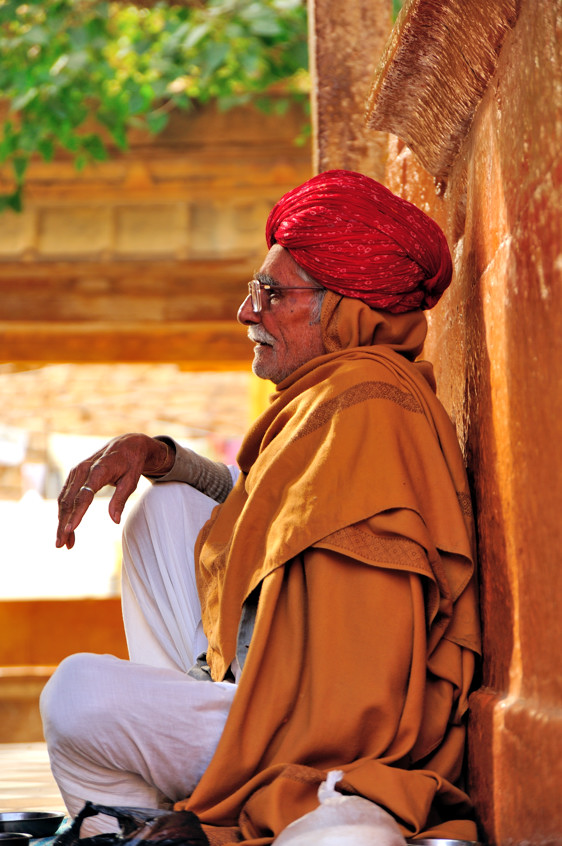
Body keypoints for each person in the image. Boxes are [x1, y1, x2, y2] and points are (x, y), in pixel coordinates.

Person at [41, 170, 481, 846]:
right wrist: (160, 457)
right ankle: (164, 815)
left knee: (76, 697)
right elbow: (274, 510)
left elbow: (360, 692)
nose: (249, 312)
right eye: (256, 291)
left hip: (305, 735)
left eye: (271, 294)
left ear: (342, 309)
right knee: (165, 507)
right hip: (253, 690)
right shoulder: (335, 398)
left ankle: (173, 815)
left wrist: (234, 809)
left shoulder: (367, 408)